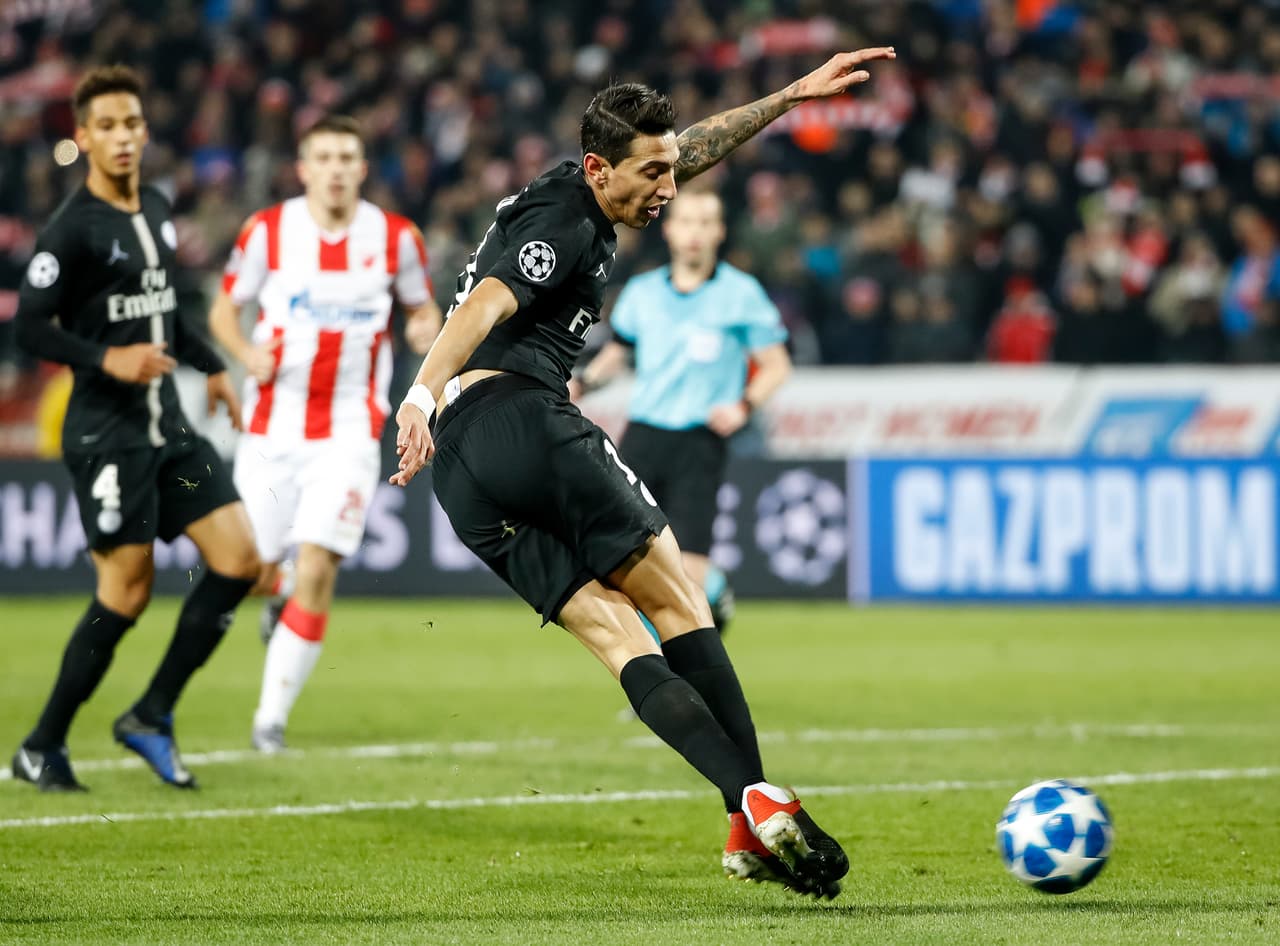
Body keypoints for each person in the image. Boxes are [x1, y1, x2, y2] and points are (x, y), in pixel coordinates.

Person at [389, 47, 895, 898]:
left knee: (619, 639)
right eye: (651, 174)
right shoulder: (568, 223)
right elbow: (484, 305)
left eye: (667, 172)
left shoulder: (580, 183)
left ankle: (746, 817)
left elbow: (689, 145)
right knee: (677, 602)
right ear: (599, 169)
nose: (668, 188)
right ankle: (754, 808)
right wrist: (415, 393)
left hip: (465, 474)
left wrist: (792, 96)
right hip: (522, 417)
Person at [10, 65, 260, 792]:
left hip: (170, 428)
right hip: (108, 435)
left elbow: (163, 310)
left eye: (132, 124)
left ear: (145, 132)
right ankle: (42, 744)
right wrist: (104, 358)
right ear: (82, 137)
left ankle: (151, 713)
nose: (122, 137)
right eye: (107, 127)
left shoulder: (152, 205)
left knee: (240, 560)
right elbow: (30, 326)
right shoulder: (72, 230)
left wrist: (211, 365)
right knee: (127, 593)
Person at [208, 115, 442, 754]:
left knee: (317, 567)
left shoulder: (395, 238)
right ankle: (273, 593)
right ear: (304, 168)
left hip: (348, 429)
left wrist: (426, 330)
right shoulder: (268, 231)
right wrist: (241, 353)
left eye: (348, 157)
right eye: (325, 158)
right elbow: (224, 311)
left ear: (363, 168)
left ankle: (269, 721)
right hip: (271, 426)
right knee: (251, 570)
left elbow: (423, 309)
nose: (337, 168)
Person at [575, 189, 792, 635]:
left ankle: (709, 599)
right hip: (644, 435)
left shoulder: (741, 293)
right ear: (670, 231)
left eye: (705, 222)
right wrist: (583, 383)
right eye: (687, 222)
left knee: (688, 571)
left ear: (720, 232)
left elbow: (777, 365)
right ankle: (662, 679)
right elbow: (619, 352)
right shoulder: (642, 292)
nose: (695, 233)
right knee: (629, 564)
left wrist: (744, 405)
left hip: (699, 440)